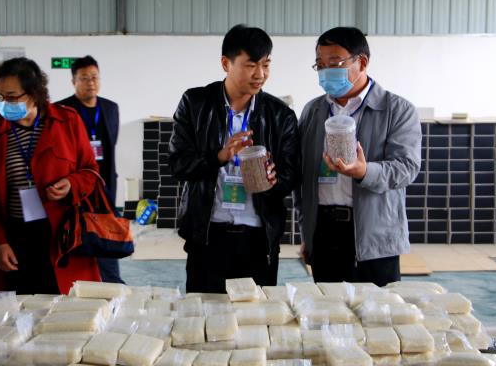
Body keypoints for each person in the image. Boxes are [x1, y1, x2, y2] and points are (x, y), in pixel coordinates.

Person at [168, 24, 300, 293]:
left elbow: (292, 175)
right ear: (226, 64)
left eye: (266, 65)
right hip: (208, 236)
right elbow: (178, 164)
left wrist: (274, 179)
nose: (260, 74)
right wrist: (220, 155)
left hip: (258, 239)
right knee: (204, 312)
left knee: (256, 315)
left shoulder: (280, 115)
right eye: (251, 65)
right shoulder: (196, 103)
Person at [295, 27, 422, 286]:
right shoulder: (313, 111)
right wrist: (306, 232)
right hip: (324, 231)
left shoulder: (397, 110)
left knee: (376, 308)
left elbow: (406, 168)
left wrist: (364, 172)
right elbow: (303, 177)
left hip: (374, 236)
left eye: (335, 64)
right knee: (328, 307)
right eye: (320, 65)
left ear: (362, 62)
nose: (325, 72)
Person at [0, 57, 102, 295]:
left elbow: (90, 170)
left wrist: (71, 183)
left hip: (61, 235)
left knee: (65, 306)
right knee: (19, 308)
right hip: (14, 236)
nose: (4, 103)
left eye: (12, 97)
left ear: (34, 93)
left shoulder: (67, 120)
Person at [55, 55, 124, 284]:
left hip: (104, 186)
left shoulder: (110, 108)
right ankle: (80, 285)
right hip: (74, 187)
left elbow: (111, 146)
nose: (91, 82)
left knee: (106, 239)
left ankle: (111, 284)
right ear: (73, 81)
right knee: (77, 239)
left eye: (94, 77)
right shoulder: (61, 110)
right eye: (84, 78)